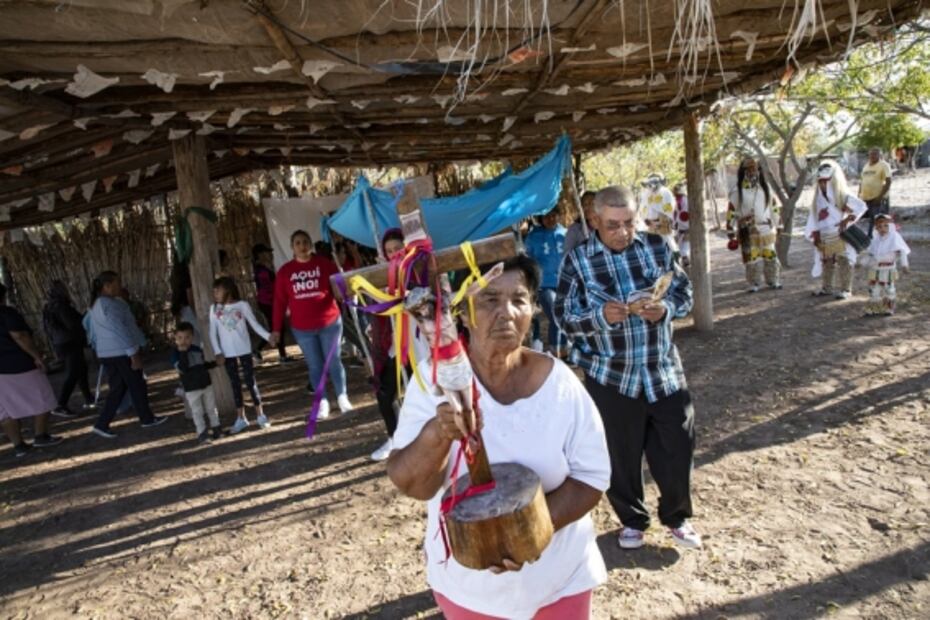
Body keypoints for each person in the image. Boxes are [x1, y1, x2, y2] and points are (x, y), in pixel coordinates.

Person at [387, 255, 611, 619]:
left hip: (559, 577)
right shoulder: (433, 381)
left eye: (519, 299)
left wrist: (527, 534)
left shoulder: (560, 383)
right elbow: (412, 484)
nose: (505, 312)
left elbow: (592, 475)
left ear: (534, 309)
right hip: (472, 590)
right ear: (461, 311)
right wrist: (438, 434)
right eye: (489, 299)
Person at [555, 186, 702, 551]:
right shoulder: (577, 261)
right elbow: (563, 316)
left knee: (677, 446)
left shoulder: (657, 247)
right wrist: (599, 317)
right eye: (612, 225)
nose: (622, 232)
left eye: (628, 223)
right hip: (611, 376)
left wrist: (665, 309)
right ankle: (633, 520)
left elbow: (683, 292)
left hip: (662, 370)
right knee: (619, 453)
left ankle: (677, 518)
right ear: (594, 222)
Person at [270, 230, 354, 419]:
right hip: (303, 328)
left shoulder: (325, 265)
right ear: (292, 247)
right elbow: (279, 303)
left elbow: (339, 289)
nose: (302, 246)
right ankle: (322, 401)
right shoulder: (285, 272)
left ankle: (342, 396)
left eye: (305, 241)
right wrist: (276, 329)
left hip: (329, 323)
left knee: (333, 361)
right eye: (298, 243)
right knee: (315, 365)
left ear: (311, 244)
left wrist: (342, 293)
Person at [88, 271, 167, 438]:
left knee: (118, 388)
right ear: (107, 286)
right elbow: (120, 330)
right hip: (120, 352)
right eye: (117, 283)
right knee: (137, 384)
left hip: (108, 352)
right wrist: (133, 353)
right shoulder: (108, 305)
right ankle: (146, 418)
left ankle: (102, 423)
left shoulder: (100, 303)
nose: (120, 286)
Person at [0, 282, 64, 457]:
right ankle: (40, 435)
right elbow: (20, 336)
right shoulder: (7, 313)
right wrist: (36, 356)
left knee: (5, 409)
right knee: (43, 398)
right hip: (18, 365)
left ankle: (18, 445)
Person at [209, 276, 271, 433]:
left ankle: (260, 415)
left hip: (244, 351)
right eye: (214, 291)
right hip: (227, 354)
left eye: (218, 290)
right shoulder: (214, 309)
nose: (215, 293)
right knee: (235, 385)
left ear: (228, 290)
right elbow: (212, 332)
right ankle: (241, 418)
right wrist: (218, 352)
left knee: (251, 382)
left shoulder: (242, 305)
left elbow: (254, 324)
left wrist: (268, 336)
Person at [368, 229, 407, 462]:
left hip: (417, 343)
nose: (393, 254)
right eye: (389, 251)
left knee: (421, 393)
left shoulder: (417, 270)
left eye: (397, 249)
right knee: (384, 394)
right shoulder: (381, 274)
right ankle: (394, 438)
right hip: (392, 346)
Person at [804, 160, 868, 300]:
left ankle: (846, 289)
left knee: (844, 261)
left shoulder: (843, 196)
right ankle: (827, 287)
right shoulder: (817, 200)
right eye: (820, 181)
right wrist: (815, 235)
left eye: (826, 181)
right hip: (825, 235)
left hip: (840, 235)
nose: (822, 184)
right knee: (827, 262)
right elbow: (814, 218)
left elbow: (861, 207)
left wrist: (847, 219)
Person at [726, 157, 782, 292]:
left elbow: (774, 207)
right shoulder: (738, 191)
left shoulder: (765, 188)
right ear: (743, 171)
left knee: (770, 255)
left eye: (755, 168)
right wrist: (730, 228)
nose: (752, 171)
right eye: (749, 169)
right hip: (747, 230)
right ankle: (754, 283)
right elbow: (732, 210)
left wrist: (779, 225)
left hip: (766, 229)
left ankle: (773, 280)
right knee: (751, 257)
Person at [42, 280, 94, 417]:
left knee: (81, 369)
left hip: (61, 343)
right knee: (73, 373)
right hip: (69, 342)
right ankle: (61, 404)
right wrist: (86, 317)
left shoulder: (49, 307)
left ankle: (89, 398)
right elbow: (72, 324)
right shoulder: (61, 306)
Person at [171, 322, 223, 443]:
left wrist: (215, 363)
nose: (184, 340)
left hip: (206, 383)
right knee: (197, 411)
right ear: (175, 338)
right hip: (191, 388)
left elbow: (202, 365)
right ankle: (202, 433)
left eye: (187, 337)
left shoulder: (197, 350)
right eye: (180, 338)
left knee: (211, 408)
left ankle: (217, 428)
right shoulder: (175, 354)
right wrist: (183, 352)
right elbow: (183, 368)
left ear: (192, 337)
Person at [525, 210, 567, 355]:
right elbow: (527, 260)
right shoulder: (533, 237)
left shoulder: (565, 233)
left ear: (559, 215)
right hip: (544, 284)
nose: (550, 218)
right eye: (546, 216)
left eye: (554, 214)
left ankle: (563, 351)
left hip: (565, 282)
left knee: (565, 315)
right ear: (541, 218)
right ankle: (556, 351)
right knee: (556, 315)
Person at [863, 214, 910, 317]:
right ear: (876, 228)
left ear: (890, 226)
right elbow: (870, 253)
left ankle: (888, 308)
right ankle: (874, 308)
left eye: (885, 226)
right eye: (879, 227)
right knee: (874, 289)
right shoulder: (875, 240)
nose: (882, 229)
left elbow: (902, 251)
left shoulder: (894, 237)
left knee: (889, 289)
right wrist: (864, 262)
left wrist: (904, 265)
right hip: (875, 269)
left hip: (888, 269)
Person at [252, 243, 289, 362]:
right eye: (266, 252)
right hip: (267, 302)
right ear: (260, 254)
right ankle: (281, 355)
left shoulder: (263, 267)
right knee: (277, 328)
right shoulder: (261, 269)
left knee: (277, 327)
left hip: (269, 301)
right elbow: (269, 286)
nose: (269, 254)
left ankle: (262, 350)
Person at [858, 148, 893, 238]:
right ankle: (872, 238)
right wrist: (859, 195)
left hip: (877, 198)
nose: (872, 156)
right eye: (871, 154)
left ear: (879, 155)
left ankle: (874, 238)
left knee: (877, 220)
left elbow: (888, 181)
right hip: (865, 198)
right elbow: (862, 181)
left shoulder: (884, 165)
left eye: (875, 154)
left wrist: (880, 197)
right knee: (867, 218)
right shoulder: (866, 166)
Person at [640, 173, 678, 253]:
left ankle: (676, 259)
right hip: (650, 226)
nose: (652, 186)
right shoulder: (646, 194)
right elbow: (643, 209)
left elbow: (669, 208)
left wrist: (663, 220)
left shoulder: (665, 192)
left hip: (663, 223)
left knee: (668, 243)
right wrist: (647, 220)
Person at [563, 191, 596, 255]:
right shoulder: (575, 230)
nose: (588, 207)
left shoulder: (606, 226)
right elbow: (567, 254)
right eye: (585, 204)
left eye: (592, 203)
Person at [672, 183, 691, 267]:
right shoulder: (677, 200)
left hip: (686, 227)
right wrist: (674, 223)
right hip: (680, 228)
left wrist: (677, 222)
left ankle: (686, 261)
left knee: (685, 248)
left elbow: (684, 215)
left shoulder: (684, 200)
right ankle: (684, 261)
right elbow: (676, 213)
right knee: (680, 247)